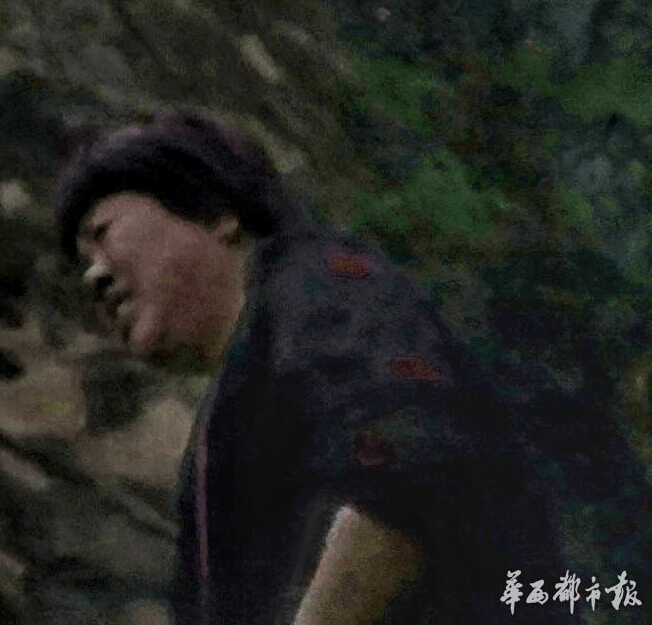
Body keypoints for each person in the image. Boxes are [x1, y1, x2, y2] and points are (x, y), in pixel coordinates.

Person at [58, 106, 554, 625]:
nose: (94, 274)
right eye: (82, 262)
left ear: (215, 213)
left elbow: (413, 457)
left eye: (103, 233)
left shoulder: (319, 287)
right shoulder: (231, 412)